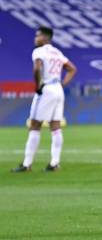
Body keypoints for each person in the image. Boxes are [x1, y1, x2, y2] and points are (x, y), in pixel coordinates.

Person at [12, 27, 77, 172]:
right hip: (58, 89)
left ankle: (26, 164)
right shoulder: (57, 52)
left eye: (38, 36)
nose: (35, 38)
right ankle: (54, 163)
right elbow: (72, 68)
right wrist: (63, 83)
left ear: (45, 38)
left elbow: (36, 69)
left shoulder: (39, 51)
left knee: (35, 125)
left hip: (46, 88)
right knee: (55, 126)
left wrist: (38, 85)